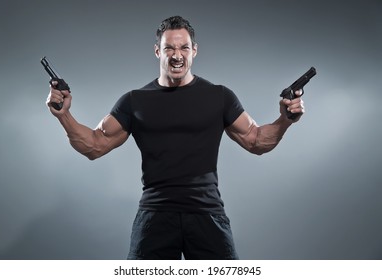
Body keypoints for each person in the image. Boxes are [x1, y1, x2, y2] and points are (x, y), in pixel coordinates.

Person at [46, 15, 305, 260]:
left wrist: (285, 119)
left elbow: (256, 141)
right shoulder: (135, 101)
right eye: (169, 48)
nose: (177, 55)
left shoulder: (219, 96)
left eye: (184, 47)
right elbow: (94, 145)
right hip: (155, 216)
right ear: (158, 51)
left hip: (207, 215)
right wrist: (64, 116)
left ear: (195, 50)